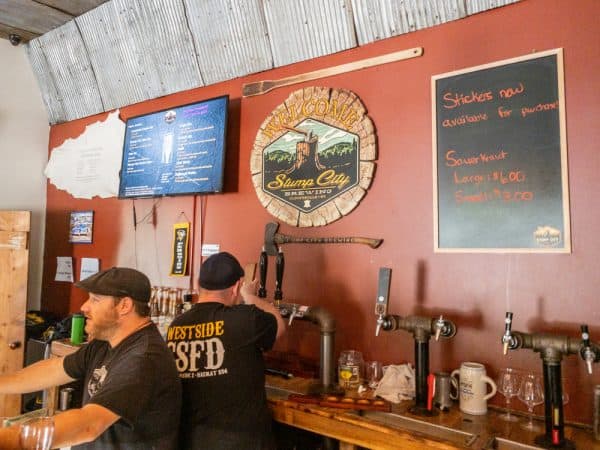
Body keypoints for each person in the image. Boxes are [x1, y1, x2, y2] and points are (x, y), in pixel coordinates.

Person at [0, 267, 181, 450]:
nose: (84, 307)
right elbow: (56, 369)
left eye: (95, 299)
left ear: (124, 306)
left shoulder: (143, 358)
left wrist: (13, 438)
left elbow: (89, 426)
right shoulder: (105, 342)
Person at [166, 252, 286, 450]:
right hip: (243, 442)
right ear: (237, 286)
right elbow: (279, 326)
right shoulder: (245, 319)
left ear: (199, 285)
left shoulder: (176, 326)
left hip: (194, 441)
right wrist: (250, 295)